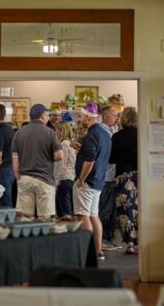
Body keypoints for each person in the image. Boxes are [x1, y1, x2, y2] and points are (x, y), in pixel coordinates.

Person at [73, 102, 112, 260]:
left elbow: (90, 161)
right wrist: (81, 149)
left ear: (89, 117)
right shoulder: (105, 134)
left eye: (81, 115)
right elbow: (98, 155)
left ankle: (87, 253)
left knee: (84, 216)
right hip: (99, 181)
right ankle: (98, 251)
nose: (80, 118)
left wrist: (81, 178)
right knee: (94, 215)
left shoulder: (90, 135)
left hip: (88, 182)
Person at [12, 104, 63, 219]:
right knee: (45, 218)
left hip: (25, 178)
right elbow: (59, 155)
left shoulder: (19, 133)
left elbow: (15, 158)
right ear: (43, 116)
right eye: (47, 115)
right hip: (44, 180)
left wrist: (18, 178)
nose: (48, 118)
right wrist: (46, 157)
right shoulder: (50, 133)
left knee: (25, 218)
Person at [109, 107, 138, 255]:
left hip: (122, 178)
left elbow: (111, 159)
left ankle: (130, 244)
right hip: (139, 178)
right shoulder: (141, 134)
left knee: (125, 211)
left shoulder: (117, 136)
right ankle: (142, 240)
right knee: (139, 210)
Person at [98, 105, 122, 251]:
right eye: (114, 115)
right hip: (105, 177)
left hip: (114, 177)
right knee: (105, 210)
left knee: (113, 211)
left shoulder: (114, 131)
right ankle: (103, 239)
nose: (116, 118)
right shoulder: (102, 132)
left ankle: (110, 237)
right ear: (105, 116)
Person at [0, 104, 15, 208]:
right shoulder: (10, 129)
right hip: (11, 169)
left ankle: (6, 224)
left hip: (3, 171)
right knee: (7, 199)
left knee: (3, 203)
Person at [54, 121, 77, 218]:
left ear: (61, 131)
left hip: (64, 179)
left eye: (56, 130)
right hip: (70, 178)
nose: (55, 133)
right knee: (69, 210)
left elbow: (61, 165)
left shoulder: (63, 144)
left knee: (65, 213)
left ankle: (69, 232)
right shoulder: (71, 144)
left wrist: (56, 182)